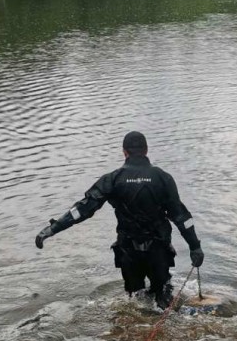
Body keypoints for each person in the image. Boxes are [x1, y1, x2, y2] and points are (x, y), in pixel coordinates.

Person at [35, 131, 204, 309]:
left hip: (129, 252)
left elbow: (83, 209)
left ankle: (134, 331)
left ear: (124, 152)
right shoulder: (163, 178)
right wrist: (195, 246)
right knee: (163, 298)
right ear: (146, 150)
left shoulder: (113, 179)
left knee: (136, 303)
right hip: (158, 251)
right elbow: (181, 217)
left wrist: (53, 228)